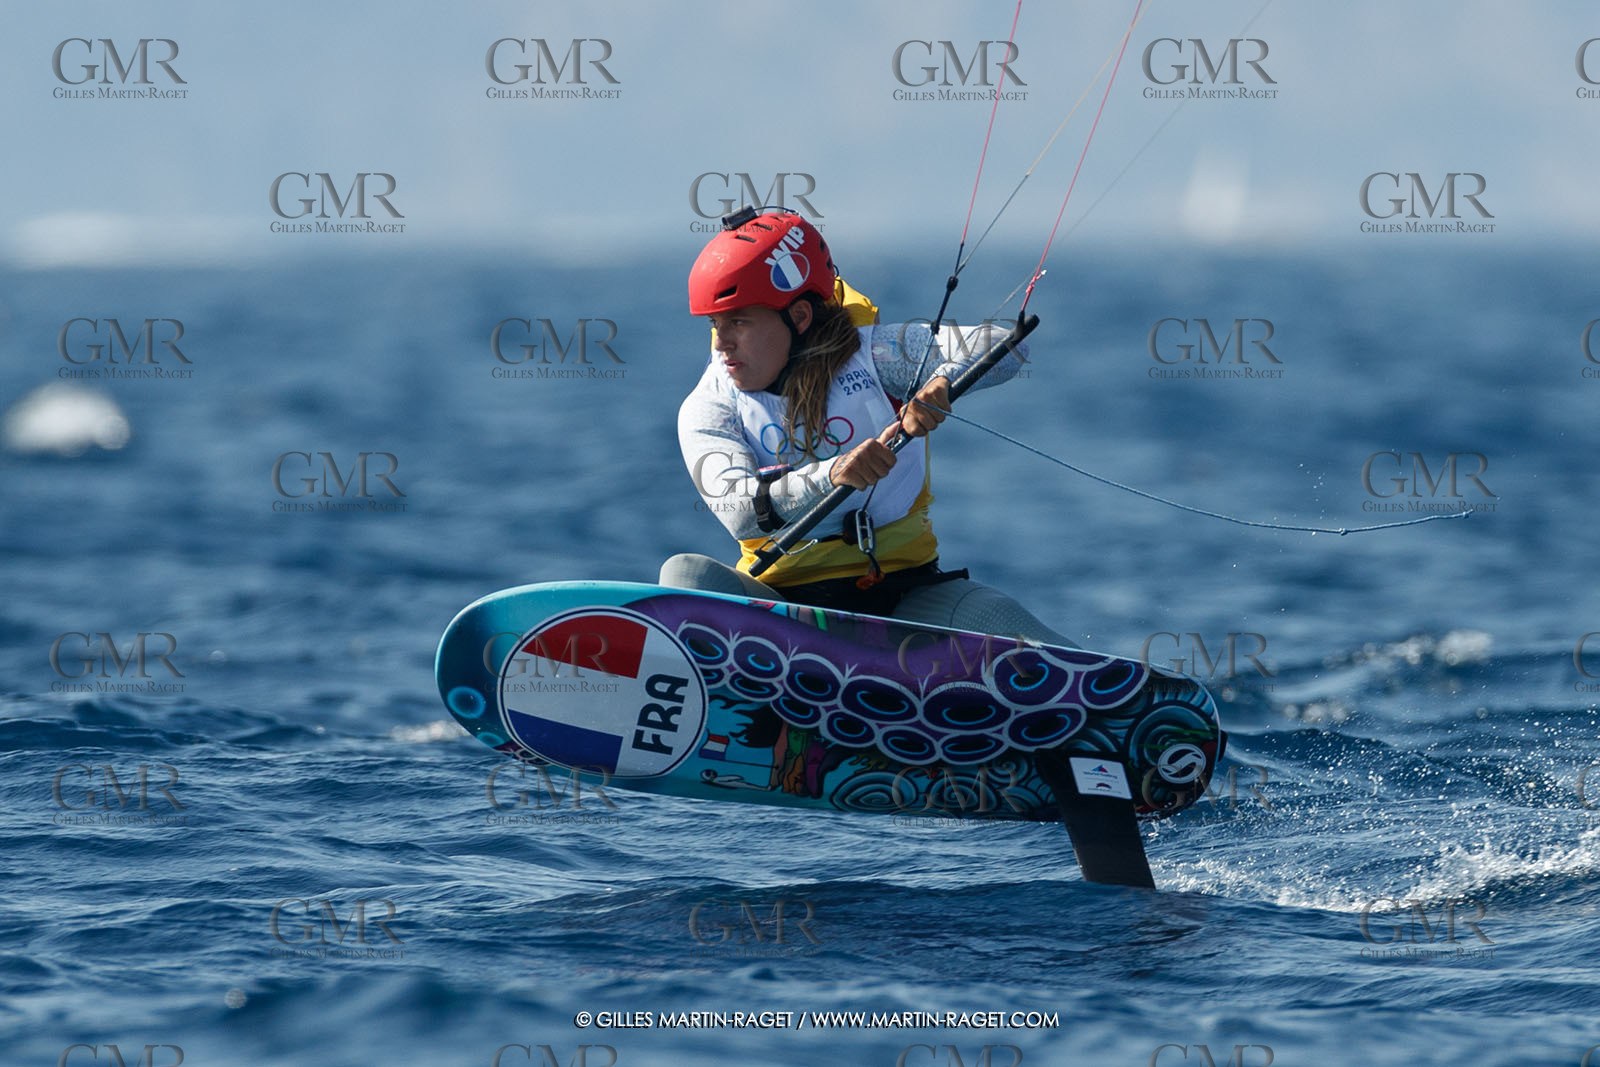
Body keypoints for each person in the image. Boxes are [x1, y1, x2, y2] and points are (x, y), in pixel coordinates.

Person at [660, 207, 1071, 647]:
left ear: (799, 317)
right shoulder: (710, 405)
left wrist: (942, 383)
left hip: (907, 598)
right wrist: (833, 475)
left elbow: (1006, 347)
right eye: (715, 323)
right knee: (684, 576)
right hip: (779, 613)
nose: (721, 344)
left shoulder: (879, 355)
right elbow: (741, 514)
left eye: (739, 321)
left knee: (1026, 637)